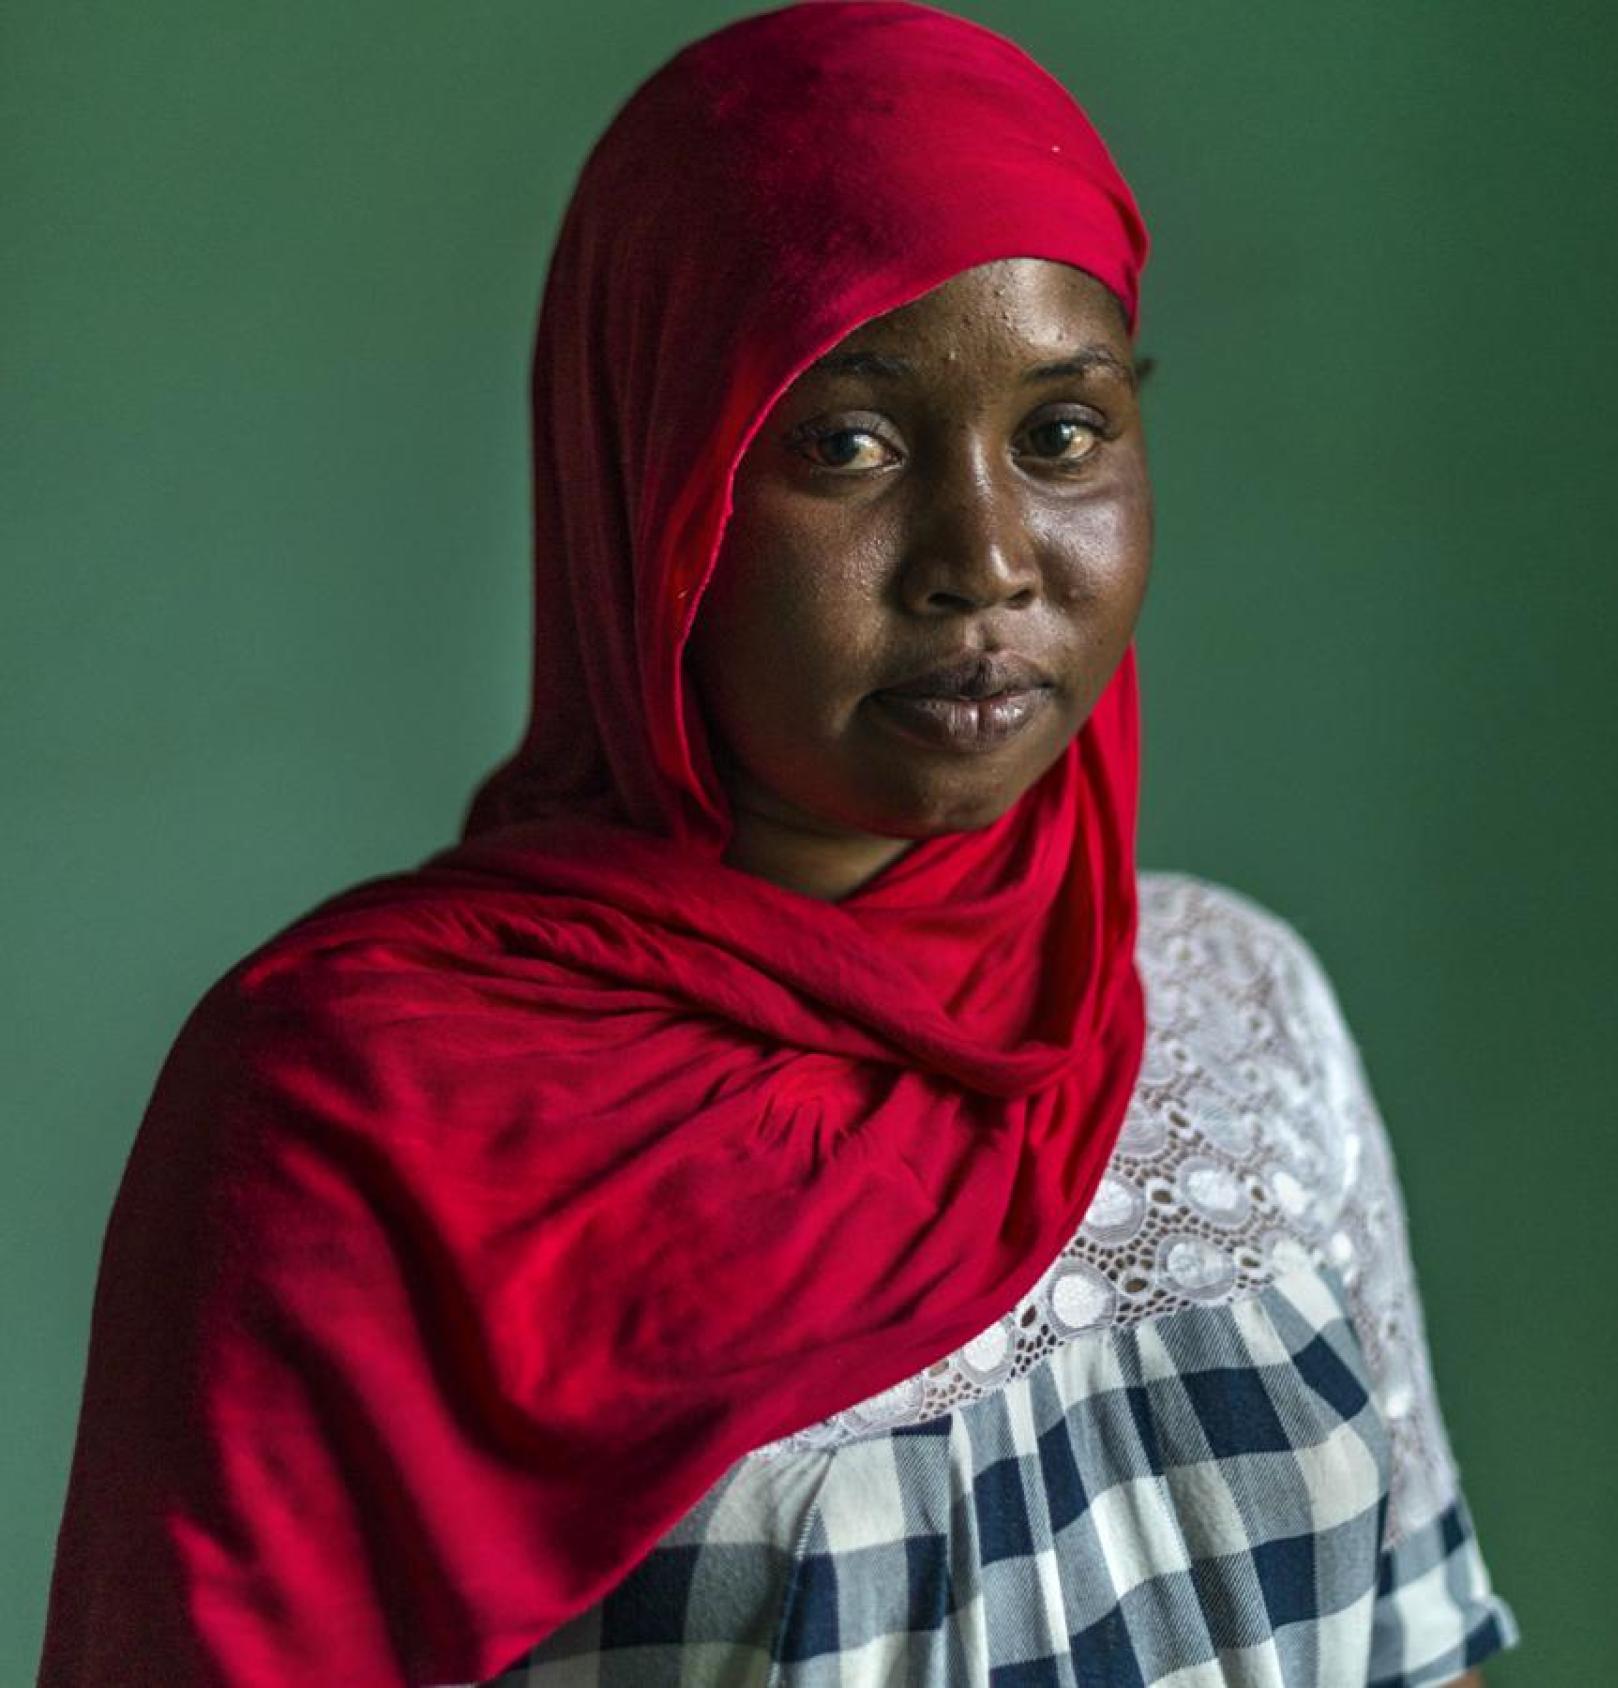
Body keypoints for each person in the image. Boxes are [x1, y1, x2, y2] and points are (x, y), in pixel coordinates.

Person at [39, 3, 1521, 1684]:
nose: (984, 557)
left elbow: (1421, 1649)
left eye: (1062, 433)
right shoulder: (360, 1114)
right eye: (845, 444)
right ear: (653, 482)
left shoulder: (1236, 1008)